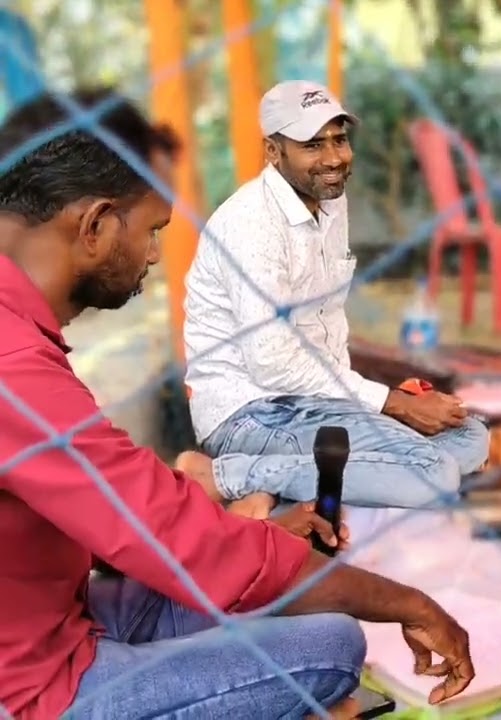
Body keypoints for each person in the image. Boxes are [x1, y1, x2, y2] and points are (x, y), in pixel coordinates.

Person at [0, 90, 474, 719]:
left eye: (339, 141)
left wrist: (255, 540)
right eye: (153, 232)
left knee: (281, 576)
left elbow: (106, 509)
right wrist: (409, 602)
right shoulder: (16, 366)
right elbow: (169, 527)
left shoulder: (20, 336)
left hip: (58, 616)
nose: (153, 255)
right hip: (34, 684)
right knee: (333, 643)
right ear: (95, 224)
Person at [183, 80, 489, 516]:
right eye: (312, 145)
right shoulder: (251, 224)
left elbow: (324, 327)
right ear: (274, 151)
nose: (334, 159)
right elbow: (273, 363)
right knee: (434, 474)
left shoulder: (328, 200)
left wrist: (367, 409)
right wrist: (390, 404)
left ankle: (278, 486)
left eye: (339, 139)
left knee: (471, 436)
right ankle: (225, 476)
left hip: (315, 405)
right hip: (252, 412)